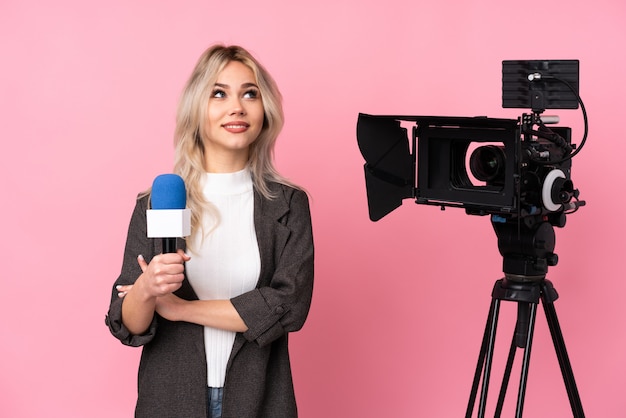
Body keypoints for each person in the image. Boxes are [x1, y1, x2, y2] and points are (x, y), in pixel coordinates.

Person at [105, 44, 314, 418]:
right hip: (171, 399)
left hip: (260, 399)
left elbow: (288, 307)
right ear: (196, 109)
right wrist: (146, 289)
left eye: (250, 93)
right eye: (219, 93)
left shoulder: (288, 204)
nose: (237, 106)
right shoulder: (158, 202)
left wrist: (182, 310)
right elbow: (127, 323)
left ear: (265, 110)